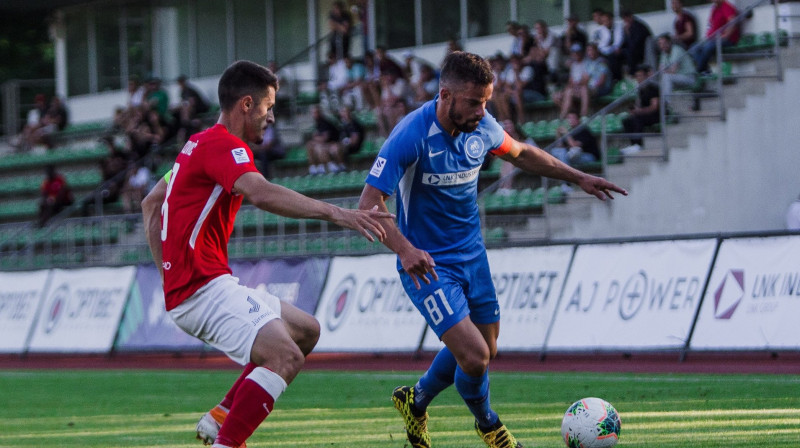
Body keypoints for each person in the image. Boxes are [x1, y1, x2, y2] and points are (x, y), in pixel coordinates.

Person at [357, 51, 626, 448]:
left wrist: (578, 176)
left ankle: (416, 400)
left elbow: (523, 154)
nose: (482, 110)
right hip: (428, 265)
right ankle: (489, 424)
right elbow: (369, 203)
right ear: (445, 95)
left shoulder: (481, 126)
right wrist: (404, 249)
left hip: (473, 257)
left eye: (486, 101)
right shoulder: (411, 134)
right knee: (475, 357)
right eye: (473, 101)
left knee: (487, 349)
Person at [141, 60, 392, 448]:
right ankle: (227, 442)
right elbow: (260, 192)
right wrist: (338, 213)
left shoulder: (196, 144)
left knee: (307, 331)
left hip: (199, 286)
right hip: (203, 289)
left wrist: (167, 275)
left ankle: (220, 417)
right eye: (268, 106)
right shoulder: (224, 145)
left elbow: (150, 203)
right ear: (246, 104)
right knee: (285, 356)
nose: (271, 117)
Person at [691, 0, 740, 74]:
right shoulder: (714, 8)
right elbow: (711, 25)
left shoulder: (726, 6)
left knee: (708, 46)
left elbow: (732, 23)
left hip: (728, 40)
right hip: (713, 39)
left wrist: (725, 36)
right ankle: (705, 70)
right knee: (694, 48)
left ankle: (699, 70)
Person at [620, 64, 660, 155]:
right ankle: (633, 144)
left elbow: (655, 107)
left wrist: (640, 111)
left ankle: (639, 144)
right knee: (626, 121)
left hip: (656, 115)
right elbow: (640, 106)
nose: (638, 78)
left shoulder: (653, 88)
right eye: (637, 76)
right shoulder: (640, 90)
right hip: (645, 114)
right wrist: (635, 110)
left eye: (640, 75)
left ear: (646, 76)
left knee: (638, 118)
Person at [657, 33, 697, 105]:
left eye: (664, 43)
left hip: (688, 77)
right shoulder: (664, 54)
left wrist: (664, 71)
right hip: (677, 79)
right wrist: (663, 71)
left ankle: (666, 104)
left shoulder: (676, 50)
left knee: (666, 77)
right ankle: (661, 105)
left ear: (670, 42)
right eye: (660, 44)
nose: (662, 46)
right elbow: (660, 70)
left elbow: (673, 71)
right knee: (659, 81)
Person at [553, 44, 590, 119]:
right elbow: (571, 81)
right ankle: (570, 116)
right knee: (556, 96)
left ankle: (563, 116)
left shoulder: (586, 63)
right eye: (574, 52)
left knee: (569, 92)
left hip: (581, 89)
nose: (576, 54)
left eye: (577, 52)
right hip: (574, 88)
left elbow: (585, 79)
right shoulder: (574, 65)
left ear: (581, 52)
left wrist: (575, 84)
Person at [305, 105, 343, 174]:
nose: (314, 115)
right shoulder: (317, 123)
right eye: (313, 113)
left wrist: (315, 138)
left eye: (315, 113)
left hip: (333, 143)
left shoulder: (325, 123)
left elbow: (324, 138)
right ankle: (313, 167)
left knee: (318, 147)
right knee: (309, 145)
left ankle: (331, 165)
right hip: (326, 144)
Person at [620, 10, 653, 77]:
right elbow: (625, 43)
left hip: (642, 50)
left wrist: (628, 33)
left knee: (630, 53)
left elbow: (635, 43)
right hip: (633, 49)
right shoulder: (629, 27)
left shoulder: (639, 26)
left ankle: (632, 74)